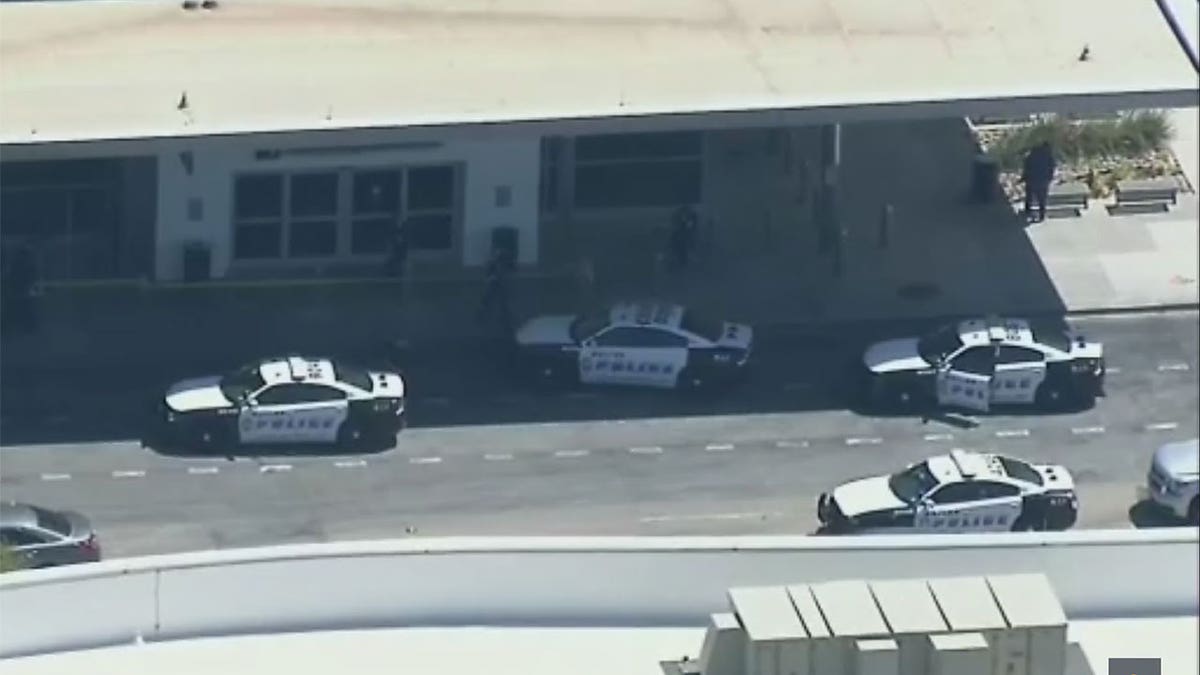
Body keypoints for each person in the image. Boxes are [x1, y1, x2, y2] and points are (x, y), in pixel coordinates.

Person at [477, 249, 512, 336]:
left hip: (497, 284)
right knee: (487, 300)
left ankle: (504, 318)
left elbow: (502, 273)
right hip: (493, 284)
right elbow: (488, 274)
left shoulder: (499, 263)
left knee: (501, 302)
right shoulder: (492, 263)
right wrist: (491, 278)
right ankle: (481, 315)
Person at [1022, 141, 1057, 223]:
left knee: (1029, 196)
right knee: (1042, 199)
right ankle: (1041, 215)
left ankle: (1028, 211)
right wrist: (1049, 178)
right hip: (1043, 180)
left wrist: (1024, 177)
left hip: (1032, 179)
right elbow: (1051, 168)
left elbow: (1026, 166)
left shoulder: (1032, 155)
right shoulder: (1049, 156)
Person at [669, 204, 699, 269]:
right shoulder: (682, 234)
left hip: (682, 235)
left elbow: (690, 226)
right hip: (682, 236)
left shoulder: (680, 234)